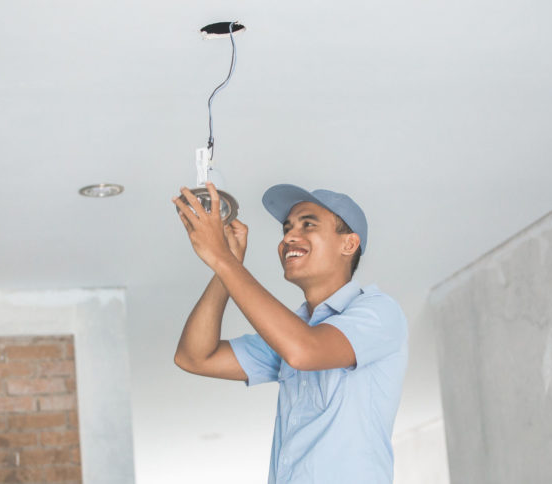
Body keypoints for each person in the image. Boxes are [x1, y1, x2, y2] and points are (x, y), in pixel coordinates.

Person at [171, 182, 408, 484]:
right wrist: (226, 269)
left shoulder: (379, 312)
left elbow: (304, 351)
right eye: (287, 229)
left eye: (308, 225)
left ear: (348, 244)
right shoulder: (293, 333)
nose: (289, 237)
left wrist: (224, 260)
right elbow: (194, 357)